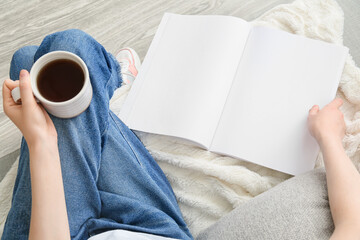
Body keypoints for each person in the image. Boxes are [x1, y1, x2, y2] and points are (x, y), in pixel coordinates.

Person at [2, 29, 360, 240]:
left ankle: (110, 85)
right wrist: (329, 139)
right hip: (147, 226)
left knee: (37, 60)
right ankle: (103, 99)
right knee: (51, 61)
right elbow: (352, 224)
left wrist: (42, 144)